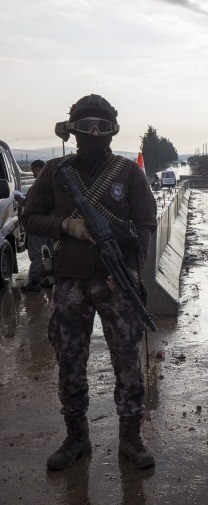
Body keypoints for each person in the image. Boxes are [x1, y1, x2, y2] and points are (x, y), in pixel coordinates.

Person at [21, 94, 157, 470]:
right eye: (86, 127)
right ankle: (76, 438)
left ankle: (130, 439)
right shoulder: (56, 172)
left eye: (103, 127)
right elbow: (29, 217)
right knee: (69, 362)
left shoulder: (129, 174)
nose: (95, 134)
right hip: (69, 284)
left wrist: (131, 268)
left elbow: (146, 224)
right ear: (73, 130)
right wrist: (66, 226)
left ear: (113, 131)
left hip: (116, 284)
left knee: (128, 362)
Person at [14, 160, 54, 291]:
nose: (33, 174)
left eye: (33, 171)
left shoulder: (41, 184)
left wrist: (18, 198)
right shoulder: (51, 182)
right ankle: (50, 279)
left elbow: (32, 203)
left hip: (38, 223)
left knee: (36, 253)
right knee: (48, 253)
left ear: (38, 169)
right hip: (49, 224)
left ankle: (35, 281)